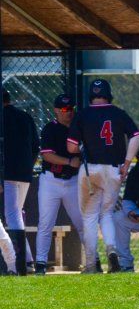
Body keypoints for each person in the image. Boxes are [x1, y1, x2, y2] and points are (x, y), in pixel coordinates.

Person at [67, 79, 139, 273]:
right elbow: (136, 135)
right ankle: (111, 249)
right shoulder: (118, 113)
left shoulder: (82, 114)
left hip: (90, 169)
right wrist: (127, 163)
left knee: (90, 216)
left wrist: (83, 144)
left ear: (91, 95)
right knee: (106, 213)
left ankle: (91, 265)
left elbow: (71, 147)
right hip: (114, 169)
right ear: (109, 94)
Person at [35, 94, 94, 275]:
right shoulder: (50, 129)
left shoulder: (79, 129)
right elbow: (46, 155)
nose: (68, 112)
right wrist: (69, 161)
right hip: (51, 180)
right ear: (56, 110)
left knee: (82, 222)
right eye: (64, 109)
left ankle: (93, 262)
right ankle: (41, 264)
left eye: (71, 109)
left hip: (74, 181)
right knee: (45, 223)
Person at [2, 88, 39, 275]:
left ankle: (21, 263)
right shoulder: (25, 116)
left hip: (7, 174)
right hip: (25, 173)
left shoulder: (3, 118)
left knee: (13, 215)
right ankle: (28, 261)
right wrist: (28, 166)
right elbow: (36, 146)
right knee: (16, 214)